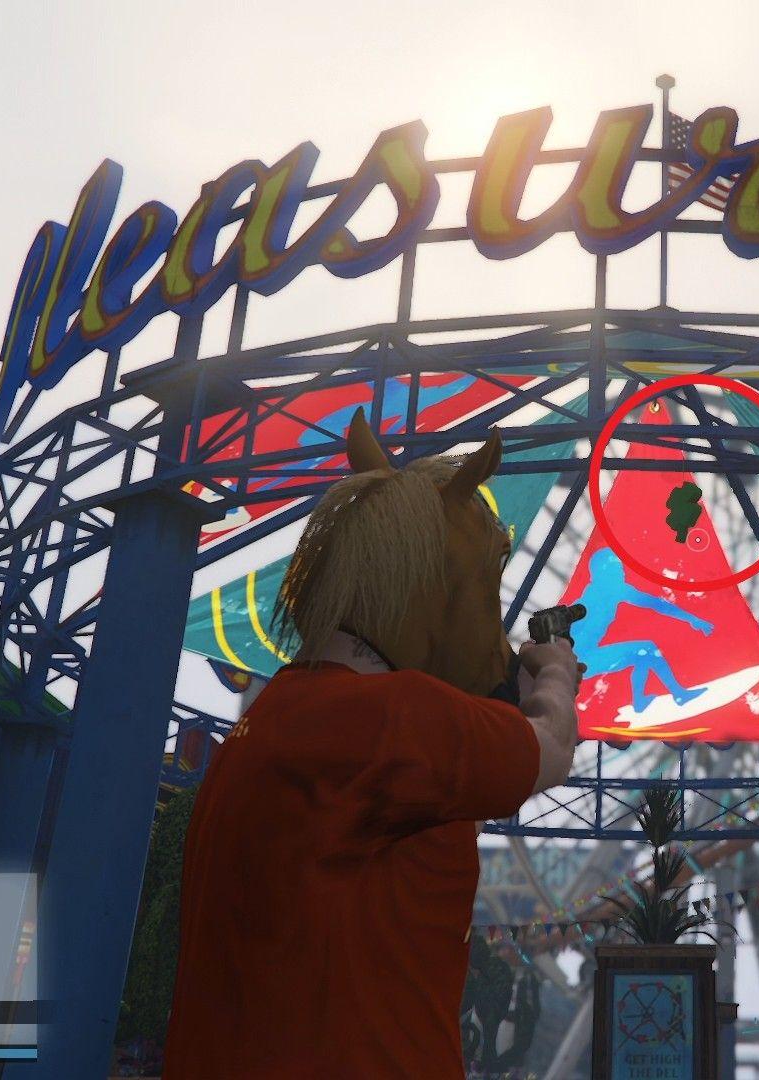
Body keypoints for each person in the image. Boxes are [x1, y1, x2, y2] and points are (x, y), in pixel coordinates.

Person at [164, 414, 582, 1078]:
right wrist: (555, 670)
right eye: (483, 587)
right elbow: (552, 749)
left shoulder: (270, 721)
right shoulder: (395, 721)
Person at [576, 547, 714, 712]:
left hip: (586, 656)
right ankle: (676, 694)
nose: (622, 573)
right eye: (615, 569)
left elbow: (657, 604)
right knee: (646, 649)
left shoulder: (617, 591)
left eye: (620, 568)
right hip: (576, 660)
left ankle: (644, 700)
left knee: (644, 651)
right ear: (601, 574)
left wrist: (692, 619)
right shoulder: (591, 598)